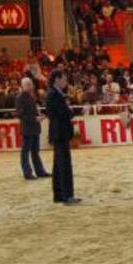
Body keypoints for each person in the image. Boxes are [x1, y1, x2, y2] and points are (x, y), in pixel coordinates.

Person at [45, 69, 81, 205]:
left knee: (58, 164)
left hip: (59, 132)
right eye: (64, 79)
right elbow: (62, 113)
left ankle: (59, 195)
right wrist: (71, 111)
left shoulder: (56, 94)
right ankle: (67, 196)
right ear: (57, 79)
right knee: (64, 164)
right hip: (60, 132)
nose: (66, 82)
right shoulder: (54, 94)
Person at [15, 77, 49, 180]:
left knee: (35, 151)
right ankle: (28, 173)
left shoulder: (31, 96)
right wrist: (35, 118)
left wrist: (38, 115)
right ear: (23, 85)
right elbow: (21, 115)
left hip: (34, 128)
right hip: (28, 128)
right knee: (25, 152)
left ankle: (40, 171)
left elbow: (29, 112)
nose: (31, 86)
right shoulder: (20, 98)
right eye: (28, 84)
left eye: (31, 84)